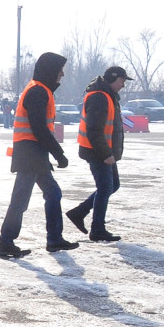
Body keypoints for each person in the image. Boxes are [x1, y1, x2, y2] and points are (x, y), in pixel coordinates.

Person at [0, 52, 79, 258]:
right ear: (51, 70)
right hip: (30, 153)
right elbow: (39, 129)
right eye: (60, 69)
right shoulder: (38, 92)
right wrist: (58, 154)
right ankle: (6, 241)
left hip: (33, 153)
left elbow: (40, 130)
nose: (63, 74)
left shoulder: (41, 90)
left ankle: (53, 239)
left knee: (52, 194)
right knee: (21, 200)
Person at [66, 66, 129, 243]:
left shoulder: (107, 95)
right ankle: (97, 229)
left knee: (112, 185)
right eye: (122, 81)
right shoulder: (100, 96)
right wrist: (105, 154)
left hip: (104, 151)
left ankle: (79, 212)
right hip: (98, 152)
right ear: (113, 79)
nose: (124, 85)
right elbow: (94, 129)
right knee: (105, 187)